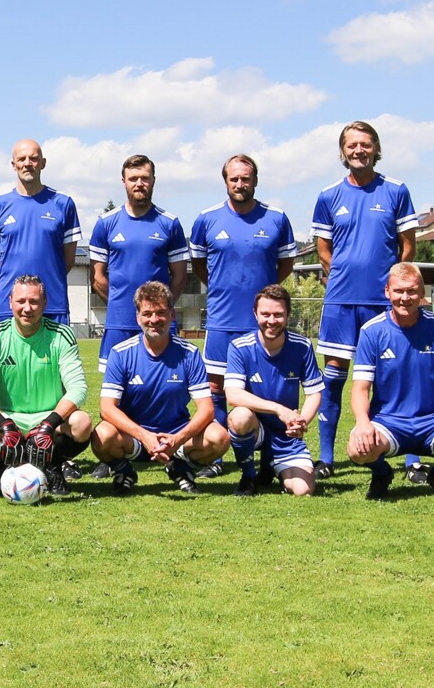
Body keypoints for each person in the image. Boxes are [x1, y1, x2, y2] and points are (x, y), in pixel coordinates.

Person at [313, 121, 420, 483]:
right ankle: (326, 458)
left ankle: (411, 460)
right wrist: (344, 274)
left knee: (395, 377)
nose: (358, 150)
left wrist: (393, 284)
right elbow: (323, 250)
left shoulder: (396, 190)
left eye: (365, 144)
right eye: (352, 145)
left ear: (376, 149)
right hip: (341, 302)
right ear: (342, 152)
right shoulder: (328, 195)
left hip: (383, 304)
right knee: (333, 379)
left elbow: (408, 246)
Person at [188, 154, 297, 478]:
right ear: (225, 181)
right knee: (216, 386)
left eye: (245, 178)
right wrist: (224, 288)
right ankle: (218, 455)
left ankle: (269, 455)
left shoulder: (276, 218)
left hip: (261, 323)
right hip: (222, 320)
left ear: (255, 181)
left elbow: (285, 265)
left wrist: (264, 296)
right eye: (234, 178)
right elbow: (200, 266)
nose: (240, 184)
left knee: (265, 389)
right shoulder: (206, 219)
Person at [348, 263, 434, 500]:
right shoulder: (371, 331)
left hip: (432, 420)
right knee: (357, 448)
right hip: (388, 422)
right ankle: (382, 473)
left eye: (412, 291)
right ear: (387, 292)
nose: (405, 298)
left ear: (422, 293)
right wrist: (363, 423)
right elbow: (361, 388)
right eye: (398, 291)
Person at [89, 153, 189, 479]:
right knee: (114, 391)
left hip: (158, 324)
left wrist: (160, 312)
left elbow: (179, 276)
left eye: (145, 178)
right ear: (124, 182)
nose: (139, 183)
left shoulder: (169, 223)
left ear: (153, 180)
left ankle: (169, 444)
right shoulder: (106, 223)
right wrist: (123, 307)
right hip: (119, 323)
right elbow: (98, 276)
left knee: (164, 383)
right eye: (133, 178)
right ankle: (112, 455)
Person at [92, 281, 230, 495]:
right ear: (138, 317)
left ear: (172, 315)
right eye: (147, 313)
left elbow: (207, 409)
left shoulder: (189, 353)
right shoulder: (120, 353)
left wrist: (177, 439)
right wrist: (144, 436)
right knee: (102, 435)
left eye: (161, 313)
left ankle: (180, 467)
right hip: (134, 438)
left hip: (176, 438)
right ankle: (124, 472)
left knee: (219, 437)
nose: (154, 320)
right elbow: (107, 408)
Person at [0, 275, 91, 496]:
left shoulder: (61, 335)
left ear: (45, 303)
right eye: (21, 301)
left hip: (49, 419)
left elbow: (78, 388)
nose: (27, 308)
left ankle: (52, 466)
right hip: (9, 419)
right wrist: (4, 424)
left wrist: (48, 425)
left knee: (82, 422)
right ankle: (3, 466)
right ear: (10, 302)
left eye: (34, 301)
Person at [224, 285, 322, 497]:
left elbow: (314, 393)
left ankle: (271, 463)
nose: (271, 320)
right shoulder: (240, 347)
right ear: (255, 314)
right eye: (265, 314)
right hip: (255, 428)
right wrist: (279, 409)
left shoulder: (302, 346)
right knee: (240, 416)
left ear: (288, 315)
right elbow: (233, 395)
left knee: (303, 490)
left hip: (285, 433)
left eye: (278, 315)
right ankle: (249, 476)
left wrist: (300, 421)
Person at [0, 139, 82, 325]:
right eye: (21, 159)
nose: (27, 163)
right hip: (10, 307)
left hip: (53, 304)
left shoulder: (63, 204)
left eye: (33, 158)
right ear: (14, 165)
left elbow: (68, 260)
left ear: (43, 163)